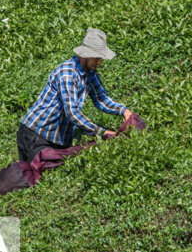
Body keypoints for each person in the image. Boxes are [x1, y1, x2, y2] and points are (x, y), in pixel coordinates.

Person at [16, 28, 134, 162]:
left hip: (59, 138)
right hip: (36, 135)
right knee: (35, 176)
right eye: (97, 58)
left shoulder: (90, 74)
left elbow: (101, 99)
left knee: (53, 176)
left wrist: (124, 111)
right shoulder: (67, 74)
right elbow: (71, 113)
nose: (100, 62)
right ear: (85, 56)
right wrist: (102, 132)